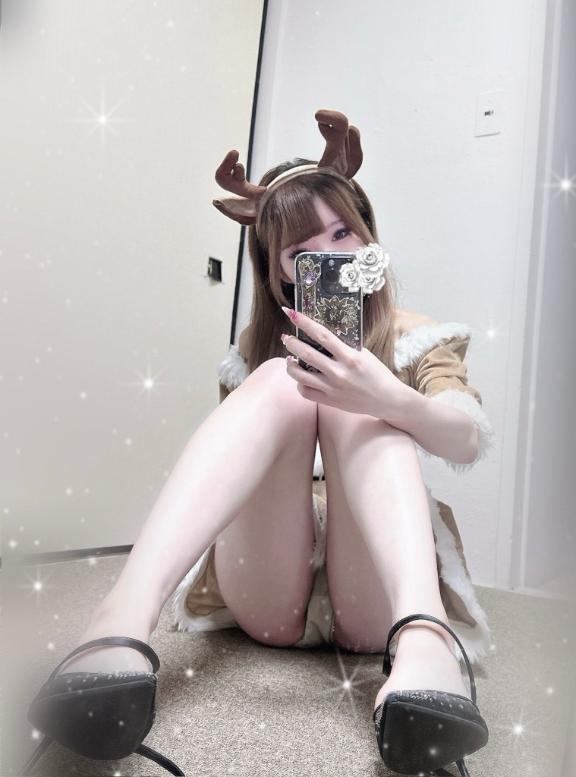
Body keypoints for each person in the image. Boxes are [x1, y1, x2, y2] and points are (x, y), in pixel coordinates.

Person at [23, 110, 493, 777]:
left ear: (369, 239)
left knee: (354, 394)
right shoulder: (254, 351)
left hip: (378, 599)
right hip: (270, 591)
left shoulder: (418, 332)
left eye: (342, 233)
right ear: (278, 273)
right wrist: (295, 379)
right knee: (283, 376)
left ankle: (425, 643)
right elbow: (234, 482)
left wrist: (384, 396)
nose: (331, 255)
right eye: (302, 250)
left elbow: (468, 439)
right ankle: (116, 625)